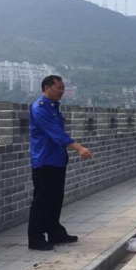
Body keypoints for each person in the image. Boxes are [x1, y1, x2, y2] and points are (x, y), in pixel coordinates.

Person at [28, 75, 93, 251]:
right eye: (59, 88)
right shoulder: (40, 108)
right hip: (44, 161)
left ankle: (55, 233)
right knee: (42, 201)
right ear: (47, 88)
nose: (62, 91)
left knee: (55, 200)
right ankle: (35, 238)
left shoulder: (53, 108)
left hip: (57, 160)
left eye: (63, 88)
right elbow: (56, 134)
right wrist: (79, 148)